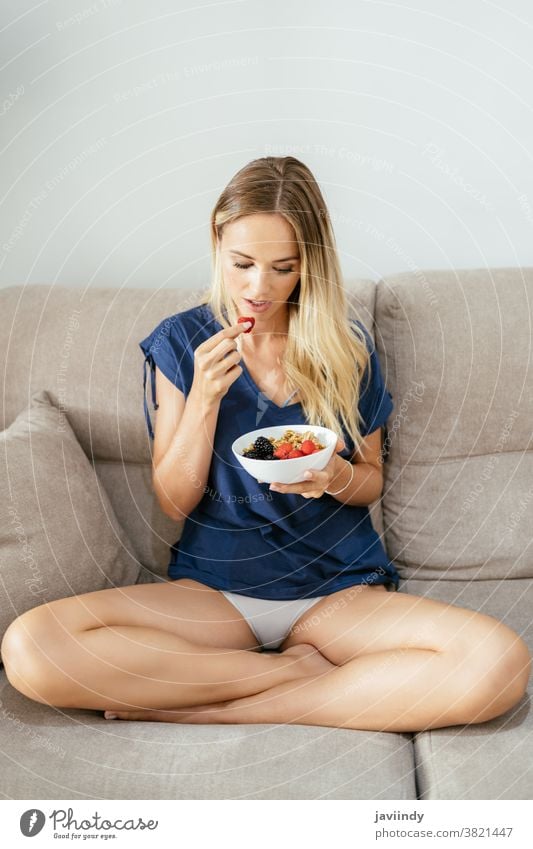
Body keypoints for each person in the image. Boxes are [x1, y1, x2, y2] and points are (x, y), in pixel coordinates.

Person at [2, 157, 529, 733]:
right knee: (32, 648)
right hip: (215, 592)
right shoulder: (182, 342)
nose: (260, 287)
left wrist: (332, 478)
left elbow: (370, 475)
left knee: (498, 663)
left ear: (311, 264)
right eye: (243, 264)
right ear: (216, 242)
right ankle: (289, 676)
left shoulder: (345, 347)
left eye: (283, 268)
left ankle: (214, 709)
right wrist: (203, 399)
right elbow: (173, 502)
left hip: (338, 592)